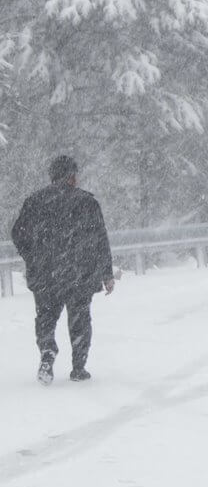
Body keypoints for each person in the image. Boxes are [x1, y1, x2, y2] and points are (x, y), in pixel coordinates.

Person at [11, 155, 115, 385]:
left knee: (46, 318)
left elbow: (17, 233)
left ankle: (47, 352)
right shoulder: (87, 202)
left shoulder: (35, 202)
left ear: (52, 176)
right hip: (79, 274)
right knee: (80, 320)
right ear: (72, 176)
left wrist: (33, 257)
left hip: (46, 275)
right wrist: (106, 273)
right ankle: (79, 368)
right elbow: (100, 239)